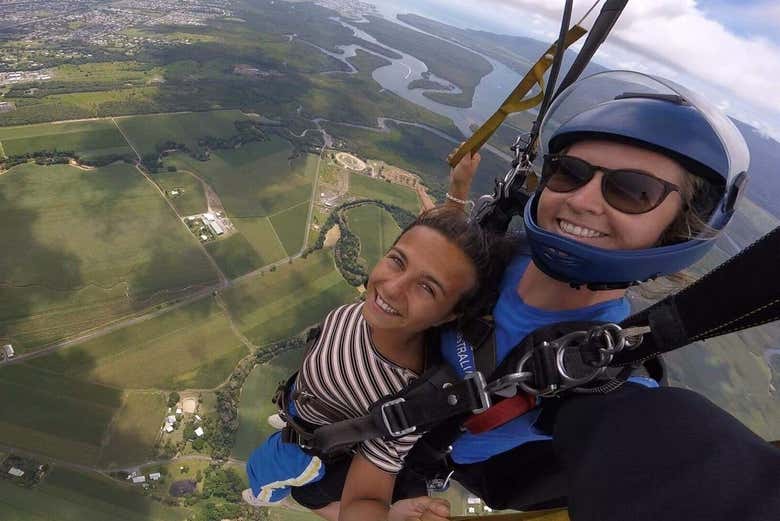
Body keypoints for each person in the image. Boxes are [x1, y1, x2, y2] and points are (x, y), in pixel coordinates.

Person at [388, 71, 780, 521]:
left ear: (676, 228)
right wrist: (457, 195)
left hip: (399, 470)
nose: (582, 200)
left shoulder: (606, 383)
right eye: (569, 173)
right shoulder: (494, 253)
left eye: (633, 191)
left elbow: (691, 473)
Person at [243, 205, 500, 521]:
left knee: (264, 472)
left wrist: (388, 516)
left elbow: (365, 499)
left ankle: (260, 494)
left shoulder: (404, 404)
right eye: (397, 261)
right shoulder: (376, 314)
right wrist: (456, 196)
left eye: (426, 288)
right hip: (305, 406)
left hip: (310, 450)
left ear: (449, 315)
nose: (391, 288)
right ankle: (293, 416)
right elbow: (441, 257)